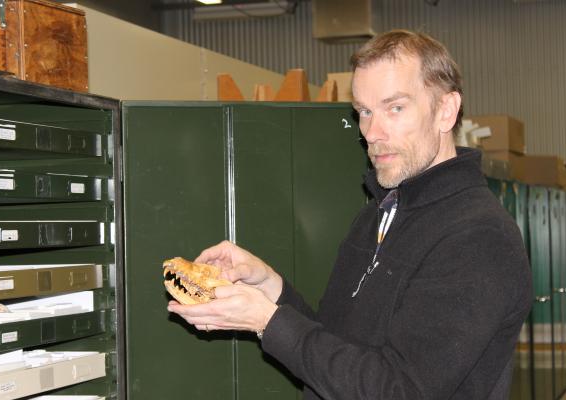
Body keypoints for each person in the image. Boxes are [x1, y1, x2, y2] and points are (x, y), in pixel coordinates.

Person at [168, 29, 533, 400]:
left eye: (395, 108)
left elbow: (399, 390)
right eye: (363, 111)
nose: (372, 132)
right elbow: (336, 346)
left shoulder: (478, 238)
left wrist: (267, 322)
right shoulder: (378, 214)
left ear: (446, 111)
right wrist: (270, 289)